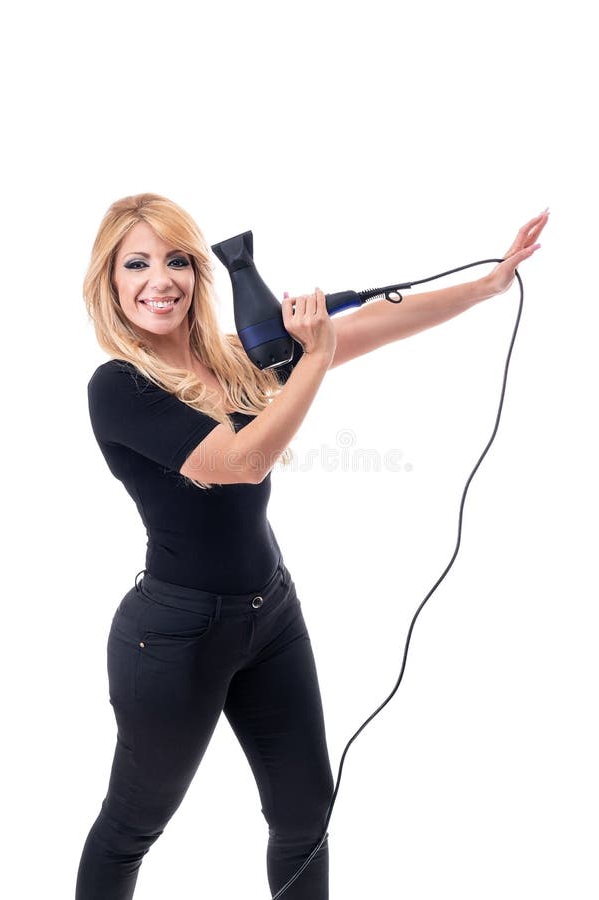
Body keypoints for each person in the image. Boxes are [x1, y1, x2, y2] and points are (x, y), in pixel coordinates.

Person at [75, 193, 548, 899]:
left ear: (199, 274)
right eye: (137, 263)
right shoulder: (118, 388)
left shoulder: (235, 361)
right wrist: (315, 357)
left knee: (305, 818)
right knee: (132, 828)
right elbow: (242, 460)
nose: (160, 279)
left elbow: (372, 324)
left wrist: (486, 285)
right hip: (174, 637)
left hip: (272, 617)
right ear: (110, 282)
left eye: (177, 259)